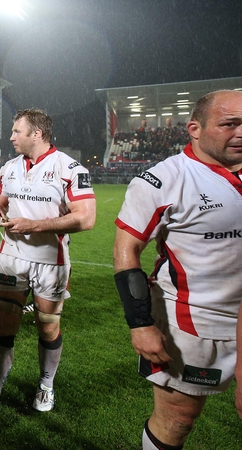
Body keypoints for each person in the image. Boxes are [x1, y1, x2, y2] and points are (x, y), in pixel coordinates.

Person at [113, 90, 242, 449]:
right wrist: (140, 324)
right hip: (192, 323)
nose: (241, 132)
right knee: (179, 419)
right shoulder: (163, 179)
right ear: (195, 129)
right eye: (230, 124)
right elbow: (127, 250)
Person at [0, 108, 96, 422]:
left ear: (36, 134)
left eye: (17, 132)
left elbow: (86, 218)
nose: (11, 137)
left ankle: (46, 385)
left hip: (51, 262)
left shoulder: (70, 168)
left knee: (48, 327)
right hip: (11, 259)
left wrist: (34, 226)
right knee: (2, 330)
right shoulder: (8, 168)